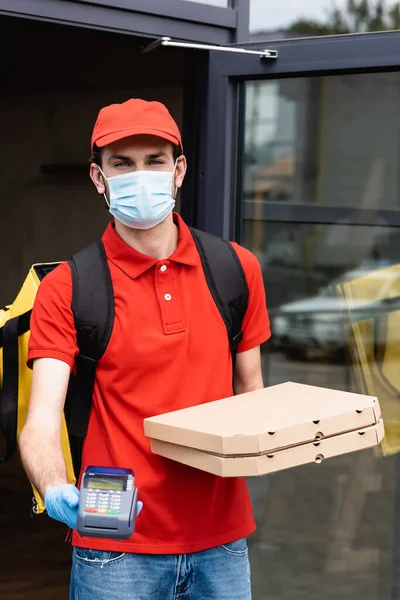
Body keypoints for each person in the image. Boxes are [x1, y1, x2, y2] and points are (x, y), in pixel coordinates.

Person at [19, 98, 271, 600]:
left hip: (221, 545)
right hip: (114, 549)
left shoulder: (236, 269)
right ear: (98, 177)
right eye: (122, 164)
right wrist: (53, 488)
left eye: (155, 161)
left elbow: (253, 397)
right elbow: (41, 420)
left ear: (179, 171)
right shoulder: (69, 287)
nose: (141, 175)